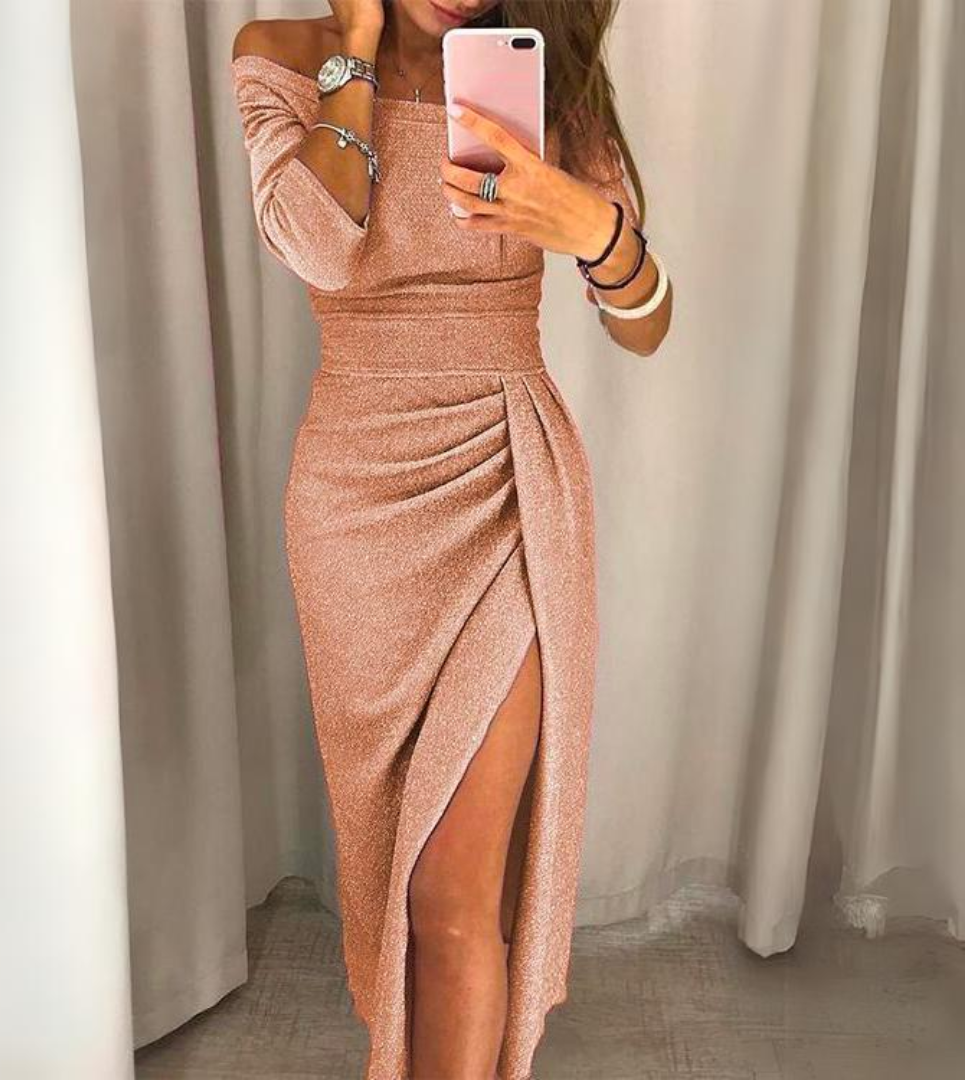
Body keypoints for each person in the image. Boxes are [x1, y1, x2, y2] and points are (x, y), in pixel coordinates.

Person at [230, 1, 672, 1077]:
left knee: (456, 893)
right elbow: (320, 249)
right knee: (394, 861)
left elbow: (647, 325)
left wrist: (598, 234)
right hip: (356, 507)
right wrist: (357, 50)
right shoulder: (279, 56)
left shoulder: (544, 77)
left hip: (507, 485)